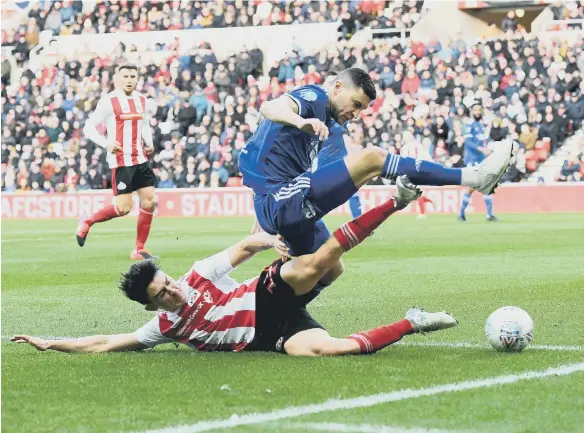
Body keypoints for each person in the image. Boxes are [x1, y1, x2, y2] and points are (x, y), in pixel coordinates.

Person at [11, 177, 458, 356]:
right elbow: (107, 342)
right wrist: (51, 343)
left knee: (317, 266)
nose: (172, 291)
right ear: (152, 308)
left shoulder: (197, 275)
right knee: (323, 350)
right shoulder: (165, 329)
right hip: (271, 334)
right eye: (162, 295)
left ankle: (393, 202)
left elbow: (241, 250)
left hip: (262, 296)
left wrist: (264, 239)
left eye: (166, 282)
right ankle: (412, 322)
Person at [239, 67, 516, 301]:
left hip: (281, 201)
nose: (356, 114)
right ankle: (475, 177)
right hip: (281, 200)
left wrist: (263, 213)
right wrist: (299, 121)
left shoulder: (330, 125)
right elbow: (269, 107)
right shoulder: (313, 98)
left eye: (363, 109)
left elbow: (269, 156)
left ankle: (278, 312)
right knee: (372, 157)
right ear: (337, 87)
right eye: (356, 104)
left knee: (331, 268)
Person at [77, 65, 158, 259]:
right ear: (118, 78)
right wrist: (105, 143)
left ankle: (138, 249)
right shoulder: (109, 101)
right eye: (126, 76)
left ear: (137, 78)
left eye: (133, 76)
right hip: (121, 160)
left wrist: (149, 142)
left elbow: (144, 123)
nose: (129, 79)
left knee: (149, 201)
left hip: (140, 158)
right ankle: (88, 220)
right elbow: (89, 127)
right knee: (123, 208)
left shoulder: (141, 100)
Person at [458, 103, 500, 222]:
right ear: (472, 111)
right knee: (473, 186)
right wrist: (481, 149)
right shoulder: (469, 125)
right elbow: (468, 142)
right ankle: (461, 213)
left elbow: (484, 142)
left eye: (479, 110)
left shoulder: (481, 125)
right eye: (475, 110)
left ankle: (489, 215)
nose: (477, 112)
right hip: (472, 160)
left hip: (482, 160)